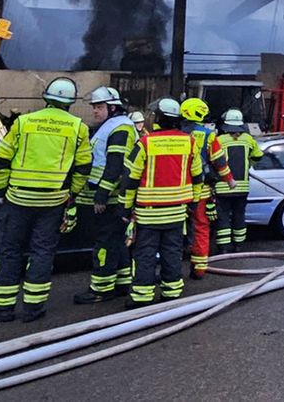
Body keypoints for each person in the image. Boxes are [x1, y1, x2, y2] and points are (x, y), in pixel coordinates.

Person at [0, 77, 92, 323]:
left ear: (47, 98)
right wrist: (72, 195)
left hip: (18, 198)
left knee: (9, 251)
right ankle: (33, 308)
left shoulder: (23, 123)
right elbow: (84, 167)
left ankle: (2, 309)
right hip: (53, 201)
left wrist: (1, 191)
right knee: (42, 252)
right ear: (70, 103)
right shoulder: (78, 127)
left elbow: (1, 161)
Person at [121, 98, 202, 307]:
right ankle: (172, 293)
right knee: (172, 254)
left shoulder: (145, 143)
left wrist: (126, 207)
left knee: (145, 254)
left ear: (158, 118)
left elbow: (130, 178)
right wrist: (193, 203)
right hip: (177, 212)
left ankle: (142, 297)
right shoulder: (190, 142)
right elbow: (198, 176)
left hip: (148, 213)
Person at [73, 87, 135, 304]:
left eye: (99, 107)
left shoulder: (119, 128)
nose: (95, 112)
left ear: (112, 107)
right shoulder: (110, 127)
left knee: (105, 243)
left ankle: (100, 289)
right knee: (116, 242)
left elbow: (115, 165)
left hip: (109, 198)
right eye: (95, 107)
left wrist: (101, 195)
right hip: (110, 196)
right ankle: (121, 283)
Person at [179, 98, 231, 279]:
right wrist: (229, 180)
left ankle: (172, 268)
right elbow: (220, 163)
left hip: (176, 192)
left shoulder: (175, 133)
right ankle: (199, 268)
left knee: (173, 230)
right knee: (201, 227)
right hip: (201, 193)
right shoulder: (209, 135)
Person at [213, 109, 263, 254]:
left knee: (223, 217)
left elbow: (215, 161)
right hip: (243, 187)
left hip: (223, 187)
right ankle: (238, 245)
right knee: (239, 215)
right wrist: (249, 164)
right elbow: (258, 156)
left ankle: (223, 249)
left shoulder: (220, 140)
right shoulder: (248, 139)